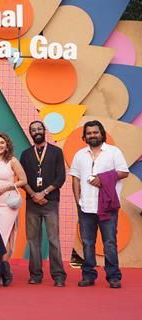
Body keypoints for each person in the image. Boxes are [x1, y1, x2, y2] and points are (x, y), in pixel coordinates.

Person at [69, 120, 129, 289]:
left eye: (95, 132)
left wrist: (103, 178)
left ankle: (113, 276)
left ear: (102, 134)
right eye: (89, 133)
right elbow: (75, 178)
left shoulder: (113, 152)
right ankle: (88, 275)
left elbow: (124, 172)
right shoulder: (79, 154)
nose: (92, 135)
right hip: (85, 206)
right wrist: (77, 202)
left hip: (107, 206)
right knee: (88, 242)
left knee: (109, 242)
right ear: (85, 136)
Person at [20, 121, 67, 287]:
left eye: (39, 129)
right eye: (33, 130)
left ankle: (59, 276)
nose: (37, 131)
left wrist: (44, 193)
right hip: (32, 202)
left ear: (44, 131)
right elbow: (22, 179)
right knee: (33, 240)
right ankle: (35, 274)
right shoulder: (25, 154)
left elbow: (61, 177)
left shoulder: (56, 152)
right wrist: (34, 195)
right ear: (30, 133)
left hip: (51, 202)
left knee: (53, 239)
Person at [0, 132, 27, 286]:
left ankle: (4, 269)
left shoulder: (12, 161)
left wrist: (8, 186)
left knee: (5, 235)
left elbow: (23, 180)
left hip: (8, 205)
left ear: (7, 145)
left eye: (2, 143)